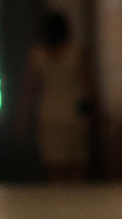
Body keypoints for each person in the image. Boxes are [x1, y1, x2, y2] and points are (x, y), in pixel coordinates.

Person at [18, 10, 90, 181]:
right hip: (73, 112)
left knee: (55, 170)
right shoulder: (77, 53)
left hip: (49, 114)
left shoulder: (37, 55)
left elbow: (29, 91)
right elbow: (89, 86)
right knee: (76, 167)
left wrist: (23, 119)